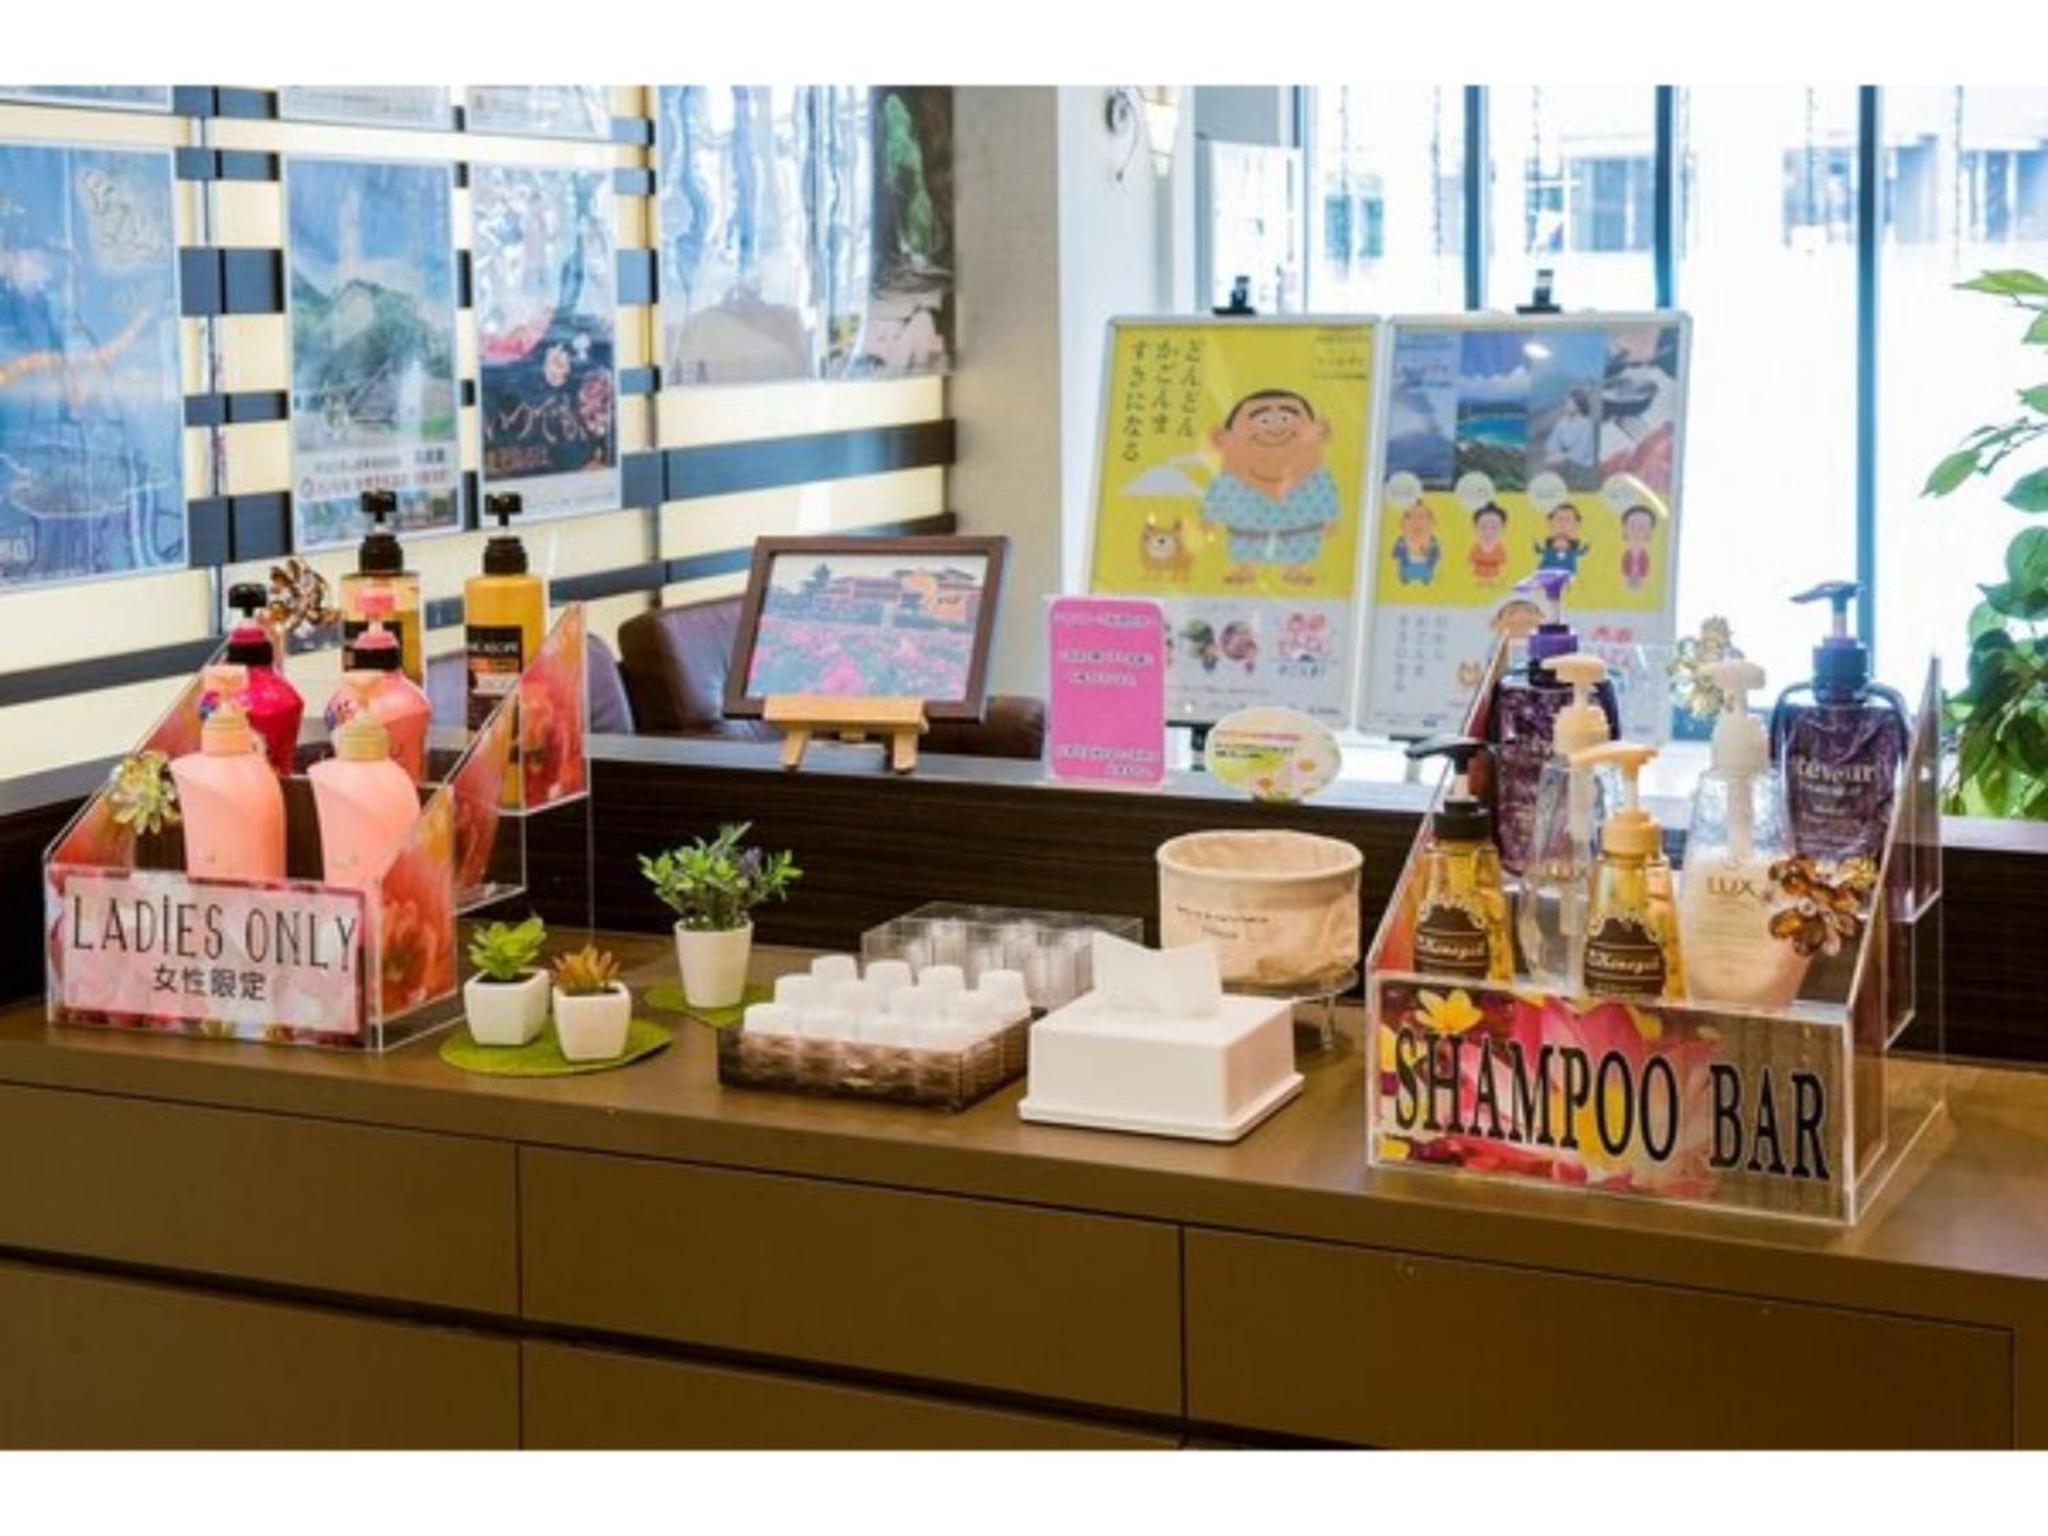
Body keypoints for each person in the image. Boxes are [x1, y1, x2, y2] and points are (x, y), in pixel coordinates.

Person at [1199, 389, 1339, 586]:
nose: (1275, 428)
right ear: (1225, 437)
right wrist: (1210, 517)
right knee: (1246, 545)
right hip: (1247, 530)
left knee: (1299, 545)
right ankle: (1245, 567)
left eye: (1285, 418)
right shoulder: (1233, 474)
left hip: (1299, 529)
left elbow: (1325, 493)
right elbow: (1218, 494)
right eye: (1263, 420)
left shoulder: (1312, 472)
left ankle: (1295, 569)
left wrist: (1330, 517)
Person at [1543, 387, 1595, 474]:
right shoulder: (1562, 422)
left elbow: (1581, 452)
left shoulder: (1586, 425)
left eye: (1569, 403)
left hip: (1582, 464)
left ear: (1578, 406)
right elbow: (1552, 442)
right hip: (1563, 458)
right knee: (1549, 462)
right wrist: (1555, 453)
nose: (1566, 406)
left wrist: (1563, 457)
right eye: (1566, 403)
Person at [1393, 501, 1442, 586]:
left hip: (1425, 566)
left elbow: (1436, 553)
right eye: (1410, 517)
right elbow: (1396, 552)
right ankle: (1406, 577)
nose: (1415, 522)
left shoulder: (1432, 542)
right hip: (1407, 565)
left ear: (1431, 523)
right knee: (1405, 572)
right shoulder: (1402, 541)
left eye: (1421, 517)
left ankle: (1425, 578)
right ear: (1403, 523)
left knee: (1426, 573)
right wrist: (1397, 553)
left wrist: (1433, 556)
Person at [1536, 502, 1588, 577]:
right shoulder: (1545, 544)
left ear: (1577, 523)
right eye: (1559, 519)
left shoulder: (1579, 547)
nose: (1563, 524)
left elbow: (1581, 553)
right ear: (1550, 522)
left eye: (1568, 519)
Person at [1468, 502, 1509, 586]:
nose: (1488, 532)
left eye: (1494, 527)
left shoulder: (1501, 550)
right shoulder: (1474, 549)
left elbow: (1504, 565)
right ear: (1475, 527)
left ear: (1503, 528)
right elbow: (1470, 563)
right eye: (1483, 527)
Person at [1620, 503, 1656, 590]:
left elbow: (1645, 567)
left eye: (1641, 528)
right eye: (1632, 527)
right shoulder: (1625, 553)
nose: (1636, 532)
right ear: (1625, 529)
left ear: (1650, 531)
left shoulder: (1646, 554)